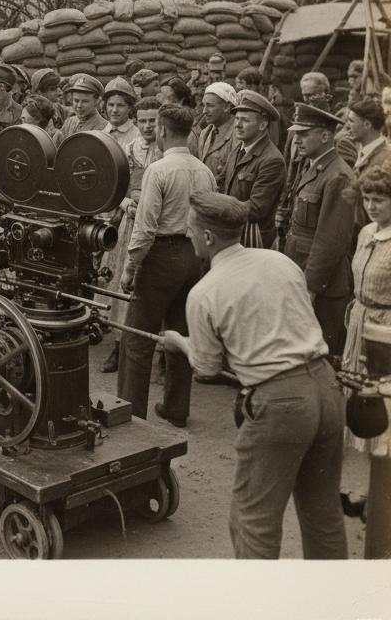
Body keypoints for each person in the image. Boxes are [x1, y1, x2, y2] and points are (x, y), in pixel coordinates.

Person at [163, 191, 347, 560]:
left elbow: (207, 368)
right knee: (323, 515)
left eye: (191, 229)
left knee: (253, 523)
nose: (188, 234)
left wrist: (179, 342)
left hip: (280, 403)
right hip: (328, 387)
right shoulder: (280, 262)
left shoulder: (204, 292)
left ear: (208, 237)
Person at [118, 104, 216, 426]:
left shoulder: (158, 170)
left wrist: (130, 268)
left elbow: (145, 228)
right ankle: (176, 409)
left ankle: (129, 413)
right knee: (179, 332)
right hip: (193, 256)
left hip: (160, 256)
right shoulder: (204, 171)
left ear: (162, 130)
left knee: (137, 337)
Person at [282, 102, 357, 355]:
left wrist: (310, 286)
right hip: (303, 275)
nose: (297, 140)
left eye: (304, 134)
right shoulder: (315, 167)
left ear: (325, 136)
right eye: (296, 133)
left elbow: (331, 240)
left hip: (323, 286)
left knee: (321, 356)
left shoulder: (338, 176)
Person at [101, 96, 162, 374]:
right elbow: (116, 187)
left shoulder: (167, 152)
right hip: (129, 225)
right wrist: (126, 204)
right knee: (121, 286)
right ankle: (119, 345)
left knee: (150, 287)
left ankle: (156, 352)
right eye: (144, 121)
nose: (148, 126)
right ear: (137, 121)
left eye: (153, 121)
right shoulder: (128, 149)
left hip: (155, 227)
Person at [343, 161, 391, 457]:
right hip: (360, 318)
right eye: (367, 199)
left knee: (382, 395)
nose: (371, 206)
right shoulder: (366, 232)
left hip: (386, 328)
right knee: (360, 390)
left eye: (380, 200)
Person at [222, 90, 287, 248]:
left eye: (245, 120)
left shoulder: (272, 160)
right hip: (232, 235)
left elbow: (256, 209)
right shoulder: (238, 150)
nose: (237, 125)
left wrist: (216, 207)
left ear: (262, 125)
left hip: (253, 240)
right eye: (237, 119)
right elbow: (222, 183)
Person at [196, 81, 238, 184]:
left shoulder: (238, 134)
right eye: (204, 105)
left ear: (226, 107)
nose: (204, 111)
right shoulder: (205, 133)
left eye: (210, 105)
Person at [53, 73, 107, 145]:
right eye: (76, 100)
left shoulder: (104, 128)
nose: (79, 106)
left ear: (97, 101)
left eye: (85, 101)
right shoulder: (69, 123)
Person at [102, 77, 138, 150]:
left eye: (120, 105)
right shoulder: (100, 134)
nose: (115, 110)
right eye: (111, 105)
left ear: (130, 107)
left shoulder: (138, 135)